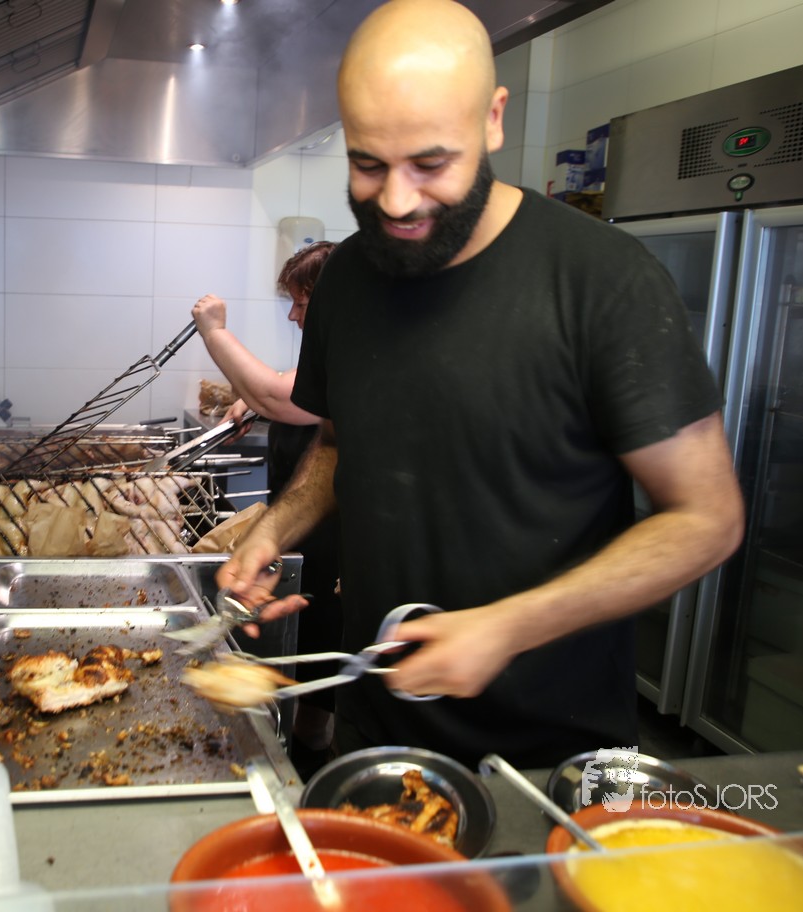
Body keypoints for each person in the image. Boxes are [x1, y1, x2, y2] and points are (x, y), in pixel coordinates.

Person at [216, 0, 745, 770]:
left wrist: (507, 626)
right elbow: (337, 444)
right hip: (376, 726)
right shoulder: (347, 280)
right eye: (368, 165)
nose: (397, 200)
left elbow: (707, 518)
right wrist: (276, 528)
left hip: (550, 757)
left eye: (430, 164)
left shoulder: (602, 281)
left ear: (494, 120)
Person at [191, 241, 342, 771]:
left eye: (302, 302)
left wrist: (215, 331)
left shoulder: (355, 360)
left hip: (333, 553)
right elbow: (288, 398)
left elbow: (281, 395)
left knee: (315, 693)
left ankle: (305, 771)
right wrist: (254, 403)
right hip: (298, 540)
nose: (293, 315)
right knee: (294, 671)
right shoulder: (326, 359)